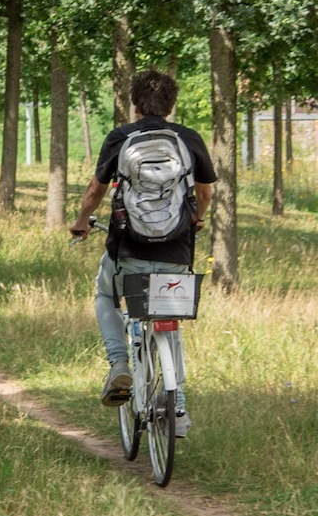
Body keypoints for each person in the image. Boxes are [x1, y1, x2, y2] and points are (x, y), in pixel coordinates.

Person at [69, 68, 217, 434]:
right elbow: (205, 193)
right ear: (171, 103)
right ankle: (177, 404)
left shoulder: (121, 137)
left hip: (128, 249)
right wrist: (196, 219)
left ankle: (119, 363)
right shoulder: (189, 138)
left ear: (134, 103)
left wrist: (82, 221)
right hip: (178, 251)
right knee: (172, 315)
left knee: (105, 294)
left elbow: (95, 191)